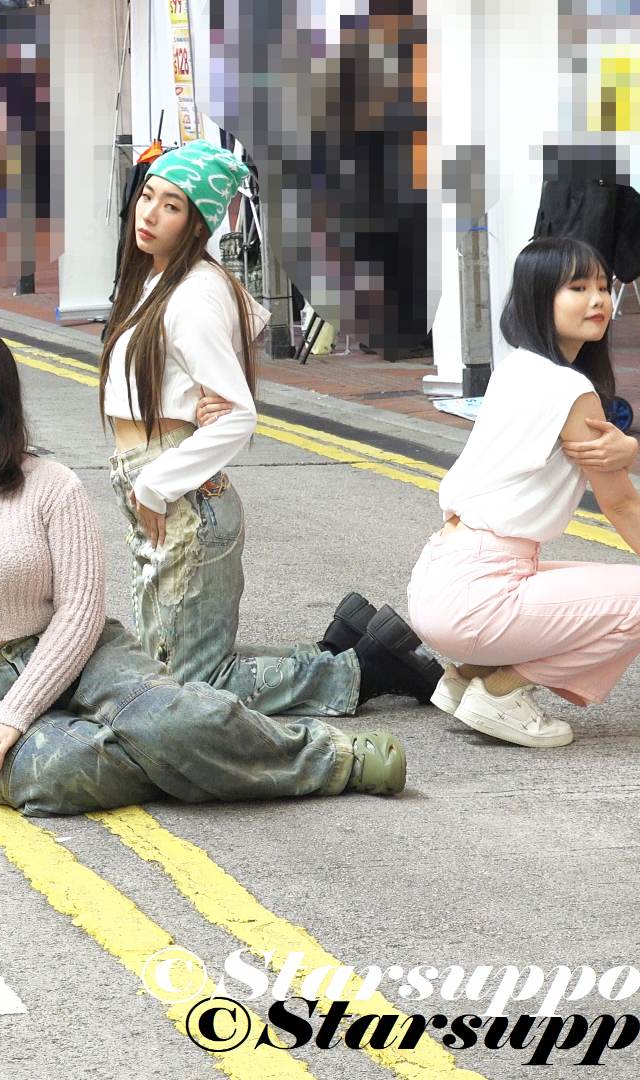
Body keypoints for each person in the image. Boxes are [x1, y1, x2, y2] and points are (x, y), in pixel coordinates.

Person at [0, 328, 406, 813]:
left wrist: (19, 712)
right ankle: (199, 742)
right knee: (60, 774)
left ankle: (336, 758)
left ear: (0, 403)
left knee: (168, 721)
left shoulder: (51, 485)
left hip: (83, 655)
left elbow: (81, 611)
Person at [97, 141, 438, 714]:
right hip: (162, 487)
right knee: (170, 671)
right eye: (147, 196)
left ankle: (364, 669)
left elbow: (237, 413)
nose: (149, 214)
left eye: (171, 205)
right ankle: (343, 645)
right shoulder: (161, 281)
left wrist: (154, 484)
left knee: (185, 687)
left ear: (198, 223)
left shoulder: (192, 295)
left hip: (177, 496)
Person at [403, 237, 640, 747]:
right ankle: (501, 691)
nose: (598, 300)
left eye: (603, 287)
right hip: (478, 598)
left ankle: (468, 676)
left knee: (590, 583)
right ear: (539, 299)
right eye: (577, 288)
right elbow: (620, 502)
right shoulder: (571, 391)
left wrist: (628, 449)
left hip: (440, 581)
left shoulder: (518, 367)